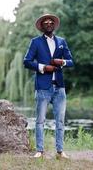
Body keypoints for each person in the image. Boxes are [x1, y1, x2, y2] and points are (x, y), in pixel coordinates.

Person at [23, 14, 74, 159]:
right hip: (43, 88)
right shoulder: (35, 42)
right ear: (42, 26)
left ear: (54, 25)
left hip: (60, 87)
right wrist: (43, 67)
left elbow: (71, 61)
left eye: (51, 22)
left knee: (60, 121)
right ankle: (39, 151)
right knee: (40, 121)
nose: (49, 24)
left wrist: (62, 62)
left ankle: (60, 151)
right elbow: (27, 61)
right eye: (45, 23)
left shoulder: (62, 41)